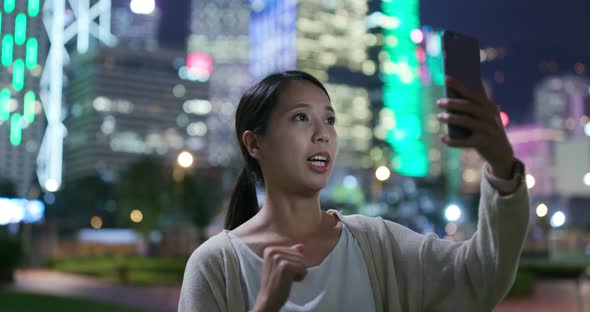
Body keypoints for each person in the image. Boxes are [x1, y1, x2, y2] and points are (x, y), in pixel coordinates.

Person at [178, 70, 529, 312]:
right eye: (301, 117)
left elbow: (480, 276)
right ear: (255, 143)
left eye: (329, 119)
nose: (322, 133)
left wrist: (501, 167)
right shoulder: (216, 265)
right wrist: (267, 304)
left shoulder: (377, 244)